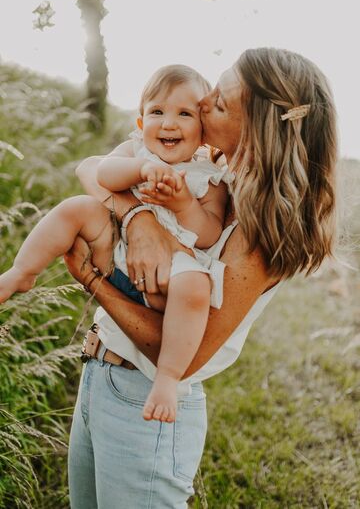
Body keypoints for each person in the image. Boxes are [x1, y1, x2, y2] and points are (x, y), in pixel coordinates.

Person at [65, 47, 337, 509]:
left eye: (220, 102)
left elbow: (183, 359)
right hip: (101, 377)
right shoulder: (204, 168)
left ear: (257, 127)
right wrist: (137, 219)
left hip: (146, 404)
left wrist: (94, 282)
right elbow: (90, 169)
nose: (203, 103)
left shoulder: (256, 237)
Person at [0, 65, 231, 422]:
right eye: (157, 112)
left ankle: (168, 378)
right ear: (140, 123)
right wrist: (139, 169)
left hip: (171, 267)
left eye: (184, 114)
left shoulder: (207, 177)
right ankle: (21, 272)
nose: (168, 123)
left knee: (197, 286)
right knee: (76, 208)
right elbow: (103, 175)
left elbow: (210, 234)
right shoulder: (135, 150)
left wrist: (183, 203)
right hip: (116, 241)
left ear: (202, 133)